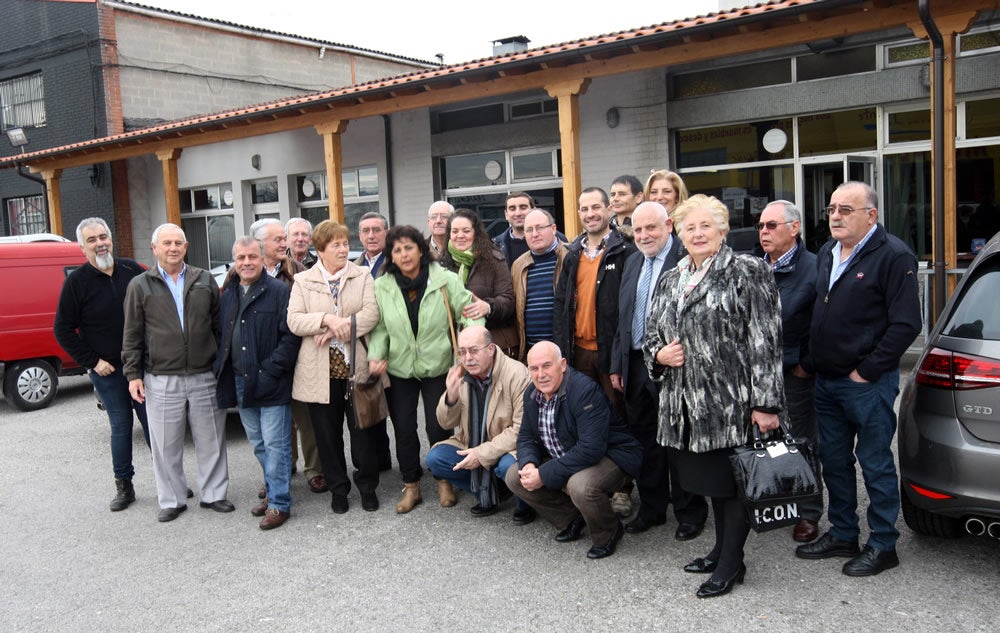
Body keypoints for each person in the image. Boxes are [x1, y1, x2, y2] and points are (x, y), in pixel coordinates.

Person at [645, 194, 784, 598]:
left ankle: (729, 564)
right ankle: (722, 550)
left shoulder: (747, 270)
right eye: (690, 227)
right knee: (711, 483)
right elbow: (652, 333)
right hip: (685, 406)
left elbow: (766, 340)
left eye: (706, 225)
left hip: (733, 403)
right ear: (680, 234)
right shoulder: (672, 277)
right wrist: (658, 355)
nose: (698, 233)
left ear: (722, 230)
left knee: (732, 482)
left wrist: (766, 404)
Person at [795, 181, 921, 577]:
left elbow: (906, 325)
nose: (835, 215)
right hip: (827, 382)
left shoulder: (894, 255)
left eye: (846, 209)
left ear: (872, 215)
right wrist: (810, 360)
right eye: (832, 208)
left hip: (867, 384)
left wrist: (866, 370)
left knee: (876, 464)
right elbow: (819, 310)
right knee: (834, 461)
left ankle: (883, 544)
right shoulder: (827, 253)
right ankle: (844, 533)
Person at [609, 202, 708, 540]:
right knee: (646, 440)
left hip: (676, 364)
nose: (644, 235)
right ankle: (652, 509)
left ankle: (690, 512)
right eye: (637, 230)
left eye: (650, 228)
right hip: (637, 363)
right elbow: (622, 318)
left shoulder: (687, 257)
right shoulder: (633, 260)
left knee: (679, 441)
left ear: (668, 225)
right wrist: (617, 364)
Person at [368, 225, 483, 513]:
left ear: (421, 249)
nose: (404, 254)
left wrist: (471, 345)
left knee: (439, 424)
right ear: (390, 256)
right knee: (404, 427)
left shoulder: (445, 279)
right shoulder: (382, 285)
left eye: (409, 247)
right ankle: (411, 485)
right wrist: (376, 355)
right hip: (400, 368)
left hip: (439, 365)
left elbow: (469, 314)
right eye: (397, 250)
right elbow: (381, 328)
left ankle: (443, 478)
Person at [122, 223, 233, 523]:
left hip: (203, 375)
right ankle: (171, 499)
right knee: (165, 443)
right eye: (167, 243)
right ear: (155, 248)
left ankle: (214, 494)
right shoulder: (140, 285)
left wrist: (219, 365)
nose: (173, 248)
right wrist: (133, 374)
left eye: (178, 243)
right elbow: (132, 334)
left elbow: (218, 326)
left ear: (186, 247)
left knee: (211, 438)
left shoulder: (204, 279)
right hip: (161, 377)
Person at [506, 341, 642, 560]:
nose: (540, 374)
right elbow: (526, 436)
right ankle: (572, 518)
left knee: (580, 486)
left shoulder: (584, 390)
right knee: (515, 476)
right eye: (534, 368)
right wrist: (529, 464)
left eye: (547, 366)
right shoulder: (532, 392)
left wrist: (544, 474)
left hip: (611, 455)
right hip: (568, 452)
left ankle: (608, 531)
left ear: (562, 364)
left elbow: (591, 449)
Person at [53, 217, 150, 512]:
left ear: (111, 238)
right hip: (108, 371)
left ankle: (170, 480)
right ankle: (124, 485)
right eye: (92, 240)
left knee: (154, 425)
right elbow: (63, 330)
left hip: (143, 366)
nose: (100, 243)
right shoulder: (76, 283)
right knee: (121, 426)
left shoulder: (132, 270)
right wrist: (93, 362)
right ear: (83, 248)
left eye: (103, 236)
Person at [288, 221, 383, 514]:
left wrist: (344, 327)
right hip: (320, 372)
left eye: (345, 244)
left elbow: (372, 313)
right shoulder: (303, 281)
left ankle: (367, 487)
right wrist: (326, 321)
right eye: (336, 245)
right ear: (320, 250)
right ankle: (338, 489)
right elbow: (294, 320)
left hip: (356, 368)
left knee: (362, 434)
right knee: (327, 437)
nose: (343, 249)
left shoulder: (363, 275)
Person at [553, 187, 634, 515]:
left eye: (596, 207)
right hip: (578, 354)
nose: (590, 213)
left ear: (608, 210)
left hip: (610, 355)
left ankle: (622, 487)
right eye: (584, 208)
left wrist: (619, 357)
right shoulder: (572, 254)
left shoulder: (623, 251)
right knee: (582, 420)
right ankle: (584, 483)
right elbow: (561, 306)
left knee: (618, 420)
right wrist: (562, 355)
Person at [215, 236, 299, 530]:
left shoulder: (279, 292)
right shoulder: (228, 294)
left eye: (252, 257)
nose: (247, 263)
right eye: (241, 258)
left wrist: (270, 370)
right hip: (240, 381)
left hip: (272, 381)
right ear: (234, 262)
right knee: (259, 444)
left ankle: (279, 503)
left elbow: (290, 338)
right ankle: (273, 489)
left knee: (276, 445)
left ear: (263, 259)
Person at [757, 200, 821, 543]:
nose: (764, 232)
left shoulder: (813, 268)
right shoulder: (755, 266)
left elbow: (821, 323)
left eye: (772, 226)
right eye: (761, 226)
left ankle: (809, 513)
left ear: (794, 228)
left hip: (793, 372)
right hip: (758, 372)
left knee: (801, 442)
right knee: (766, 442)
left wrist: (804, 365)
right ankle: (775, 503)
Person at [427, 326, 535, 523]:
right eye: (462, 352)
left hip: (508, 447)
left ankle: (525, 503)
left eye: (474, 350)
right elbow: (445, 423)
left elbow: (521, 430)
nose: (467, 358)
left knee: (508, 467)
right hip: (473, 441)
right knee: (435, 459)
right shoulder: (461, 374)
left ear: (491, 349)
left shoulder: (517, 374)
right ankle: (493, 491)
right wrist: (451, 397)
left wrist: (481, 453)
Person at [250, 218, 326, 496]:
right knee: (274, 425)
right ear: (259, 244)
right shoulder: (245, 272)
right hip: (263, 362)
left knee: (306, 420)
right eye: (279, 239)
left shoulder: (299, 271)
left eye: (285, 238)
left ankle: (315, 471)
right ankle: (280, 470)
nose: (286, 244)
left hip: (298, 356)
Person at [438, 208, 519, 359]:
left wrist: (488, 307)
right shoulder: (441, 266)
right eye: (455, 231)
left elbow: (508, 300)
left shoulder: (494, 259)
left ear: (476, 232)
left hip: (492, 346)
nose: (460, 236)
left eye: (466, 231)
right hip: (455, 350)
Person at [353, 211, 393, 471]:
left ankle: (404, 465)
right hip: (364, 349)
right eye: (366, 230)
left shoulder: (396, 261)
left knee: (399, 413)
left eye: (376, 230)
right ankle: (380, 461)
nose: (371, 235)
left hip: (394, 347)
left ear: (386, 233)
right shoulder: (354, 267)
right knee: (371, 406)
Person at [511, 209, 569, 362]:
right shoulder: (518, 265)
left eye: (540, 228)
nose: (534, 234)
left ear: (554, 229)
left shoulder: (571, 256)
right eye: (529, 230)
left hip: (566, 350)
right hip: (533, 353)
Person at [609, 175, 644, 240]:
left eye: (622, 194)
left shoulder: (647, 229)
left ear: (638, 197)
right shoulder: (605, 230)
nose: (615, 199)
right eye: (613, 195)